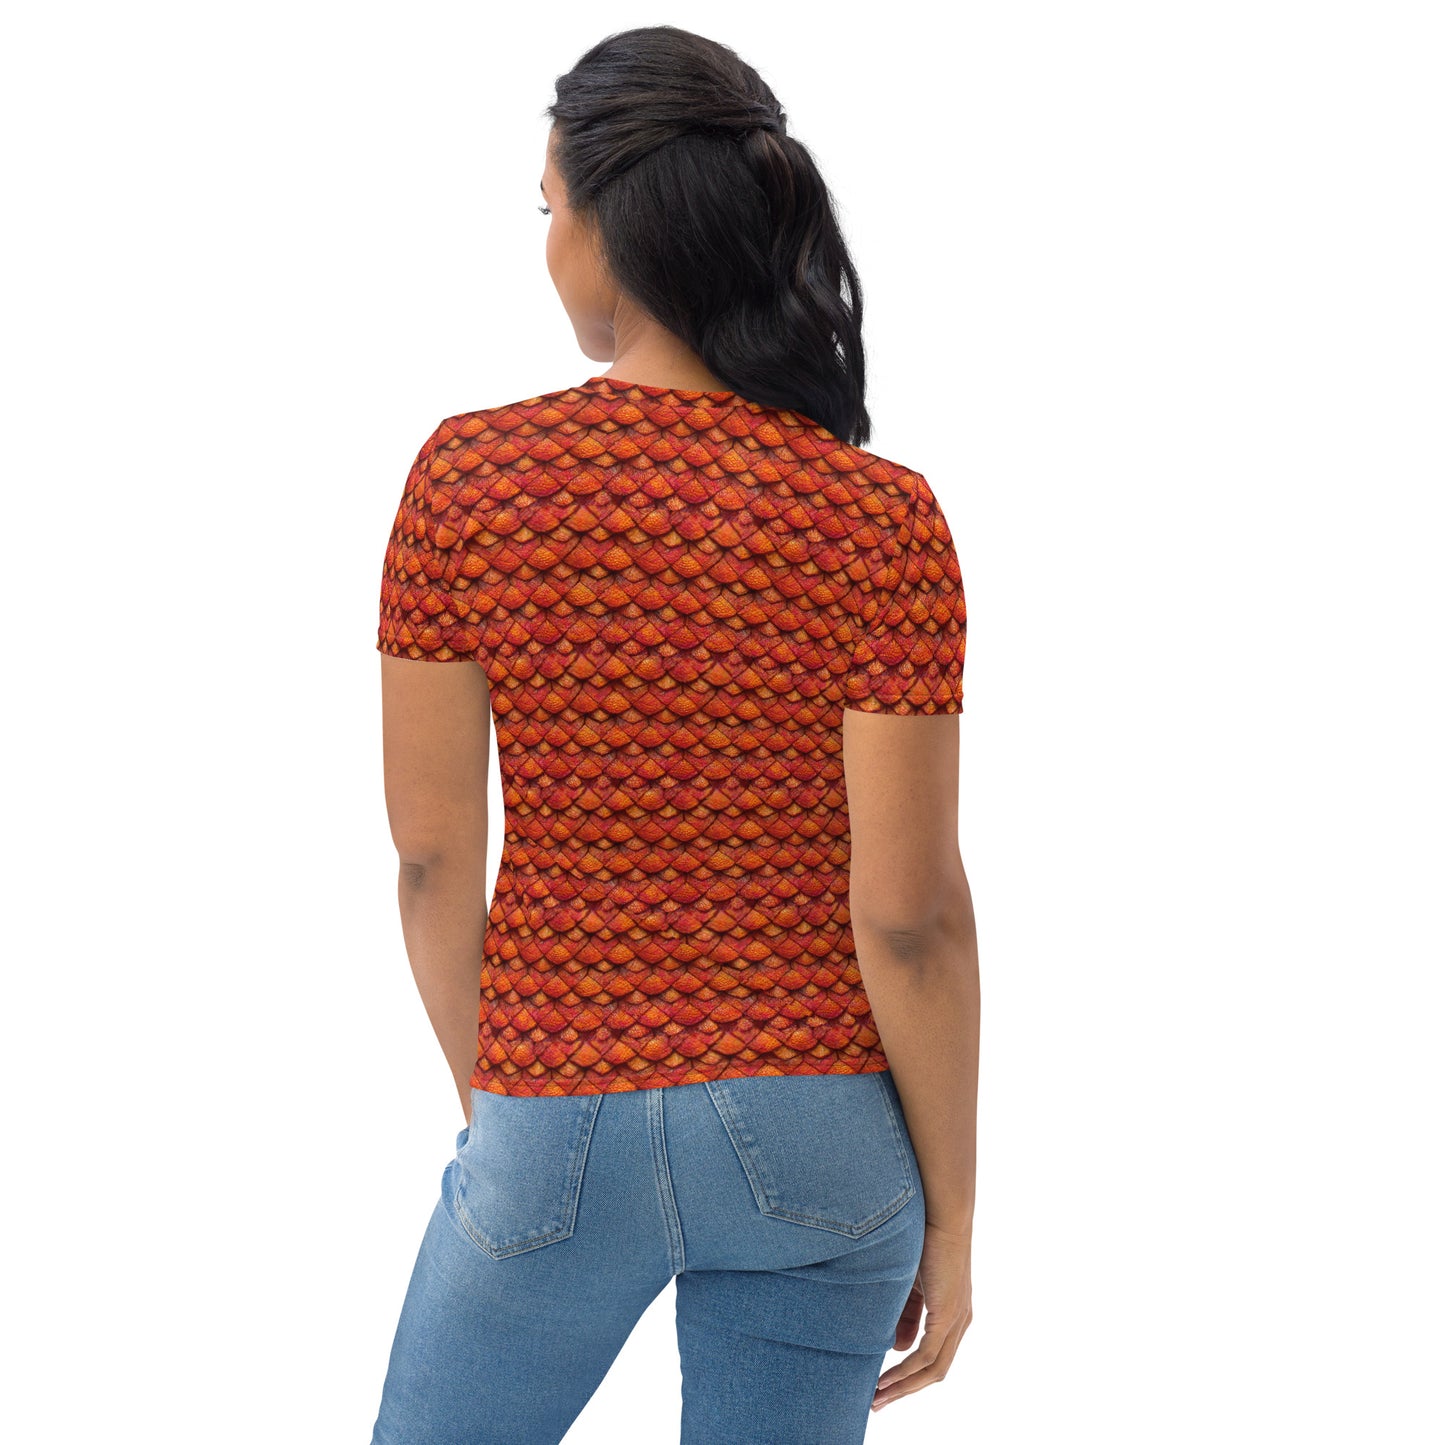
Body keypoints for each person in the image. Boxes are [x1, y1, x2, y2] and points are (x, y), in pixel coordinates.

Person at [369, 25, 979, 1445]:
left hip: (556, 1093)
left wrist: (509, 1108)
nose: (546, 244)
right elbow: (909, 912)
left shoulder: (466, 482)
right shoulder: (881, 519)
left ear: (608, 228)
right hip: (822, 1136)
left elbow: (431, 857)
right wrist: (952, 1220)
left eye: (546, 208)